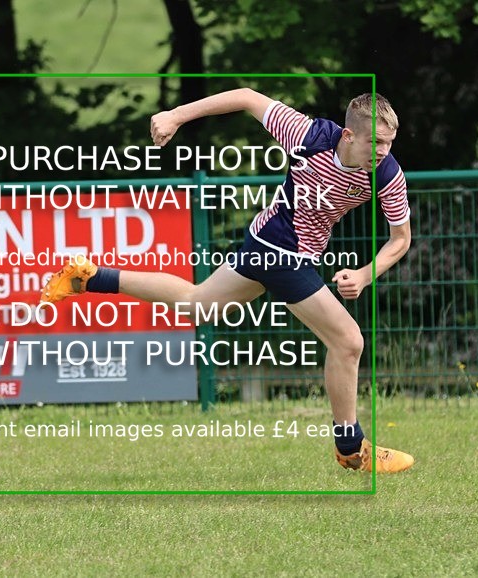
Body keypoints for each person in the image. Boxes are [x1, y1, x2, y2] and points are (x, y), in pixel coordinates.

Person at [40, 88, 414, 473]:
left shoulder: (387, 173)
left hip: (267, 245)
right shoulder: (307, 135)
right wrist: (175, 116)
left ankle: (88, 277)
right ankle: (351, 448)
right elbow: (248, 97)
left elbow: (400, 239)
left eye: (389, 142)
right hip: (281, 250)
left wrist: (365, 274)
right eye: (376, 142)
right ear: (349, 136)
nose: (384, 151)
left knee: (196, 303)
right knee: (348, 341)